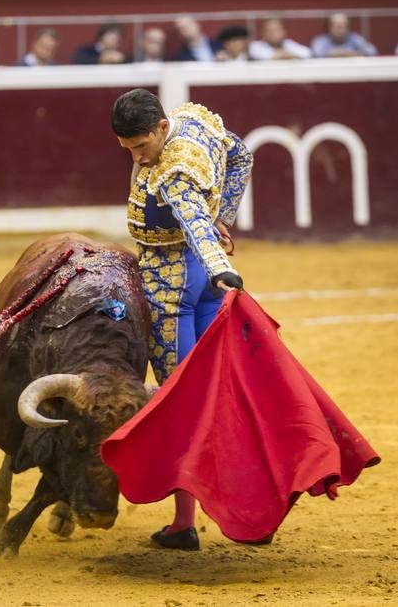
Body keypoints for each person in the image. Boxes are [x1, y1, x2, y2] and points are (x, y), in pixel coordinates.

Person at [110, 88, 251, 549]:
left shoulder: (173, 172)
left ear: (161, 128)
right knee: (216, 392)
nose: (136, 157)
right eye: (128, 149)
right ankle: (247, 502)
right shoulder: (195, 122)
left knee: (180, 404)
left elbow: (191, 220)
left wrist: (220, 263)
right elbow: (241, 155)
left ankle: (184, 522)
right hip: (201, 282)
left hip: (172, 287)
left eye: (141, 146)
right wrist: (224, 215)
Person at [311, 12, 378, 57]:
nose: (340, 30)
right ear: (328, 27)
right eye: (337, 26)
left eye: (344, 26)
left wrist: (335, 54)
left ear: (348, 28)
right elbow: (317, 53)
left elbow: (372, 51)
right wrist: (349, 53)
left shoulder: (355, 38)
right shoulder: (321, 41)